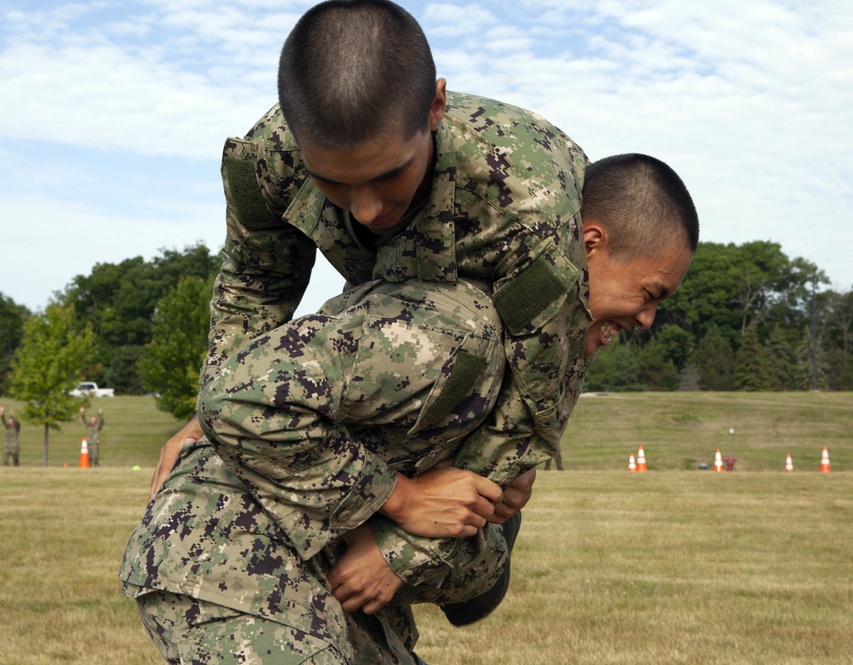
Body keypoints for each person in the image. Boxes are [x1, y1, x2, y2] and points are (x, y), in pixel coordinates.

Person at [122, 152, 699, 664]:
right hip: (226, 551)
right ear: (592, 243)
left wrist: (427, 530)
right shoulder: (454, 326)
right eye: (649, 293)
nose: (647, 319)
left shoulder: (530, 356)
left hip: (318, 557)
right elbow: (242, 394)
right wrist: (406, 501)